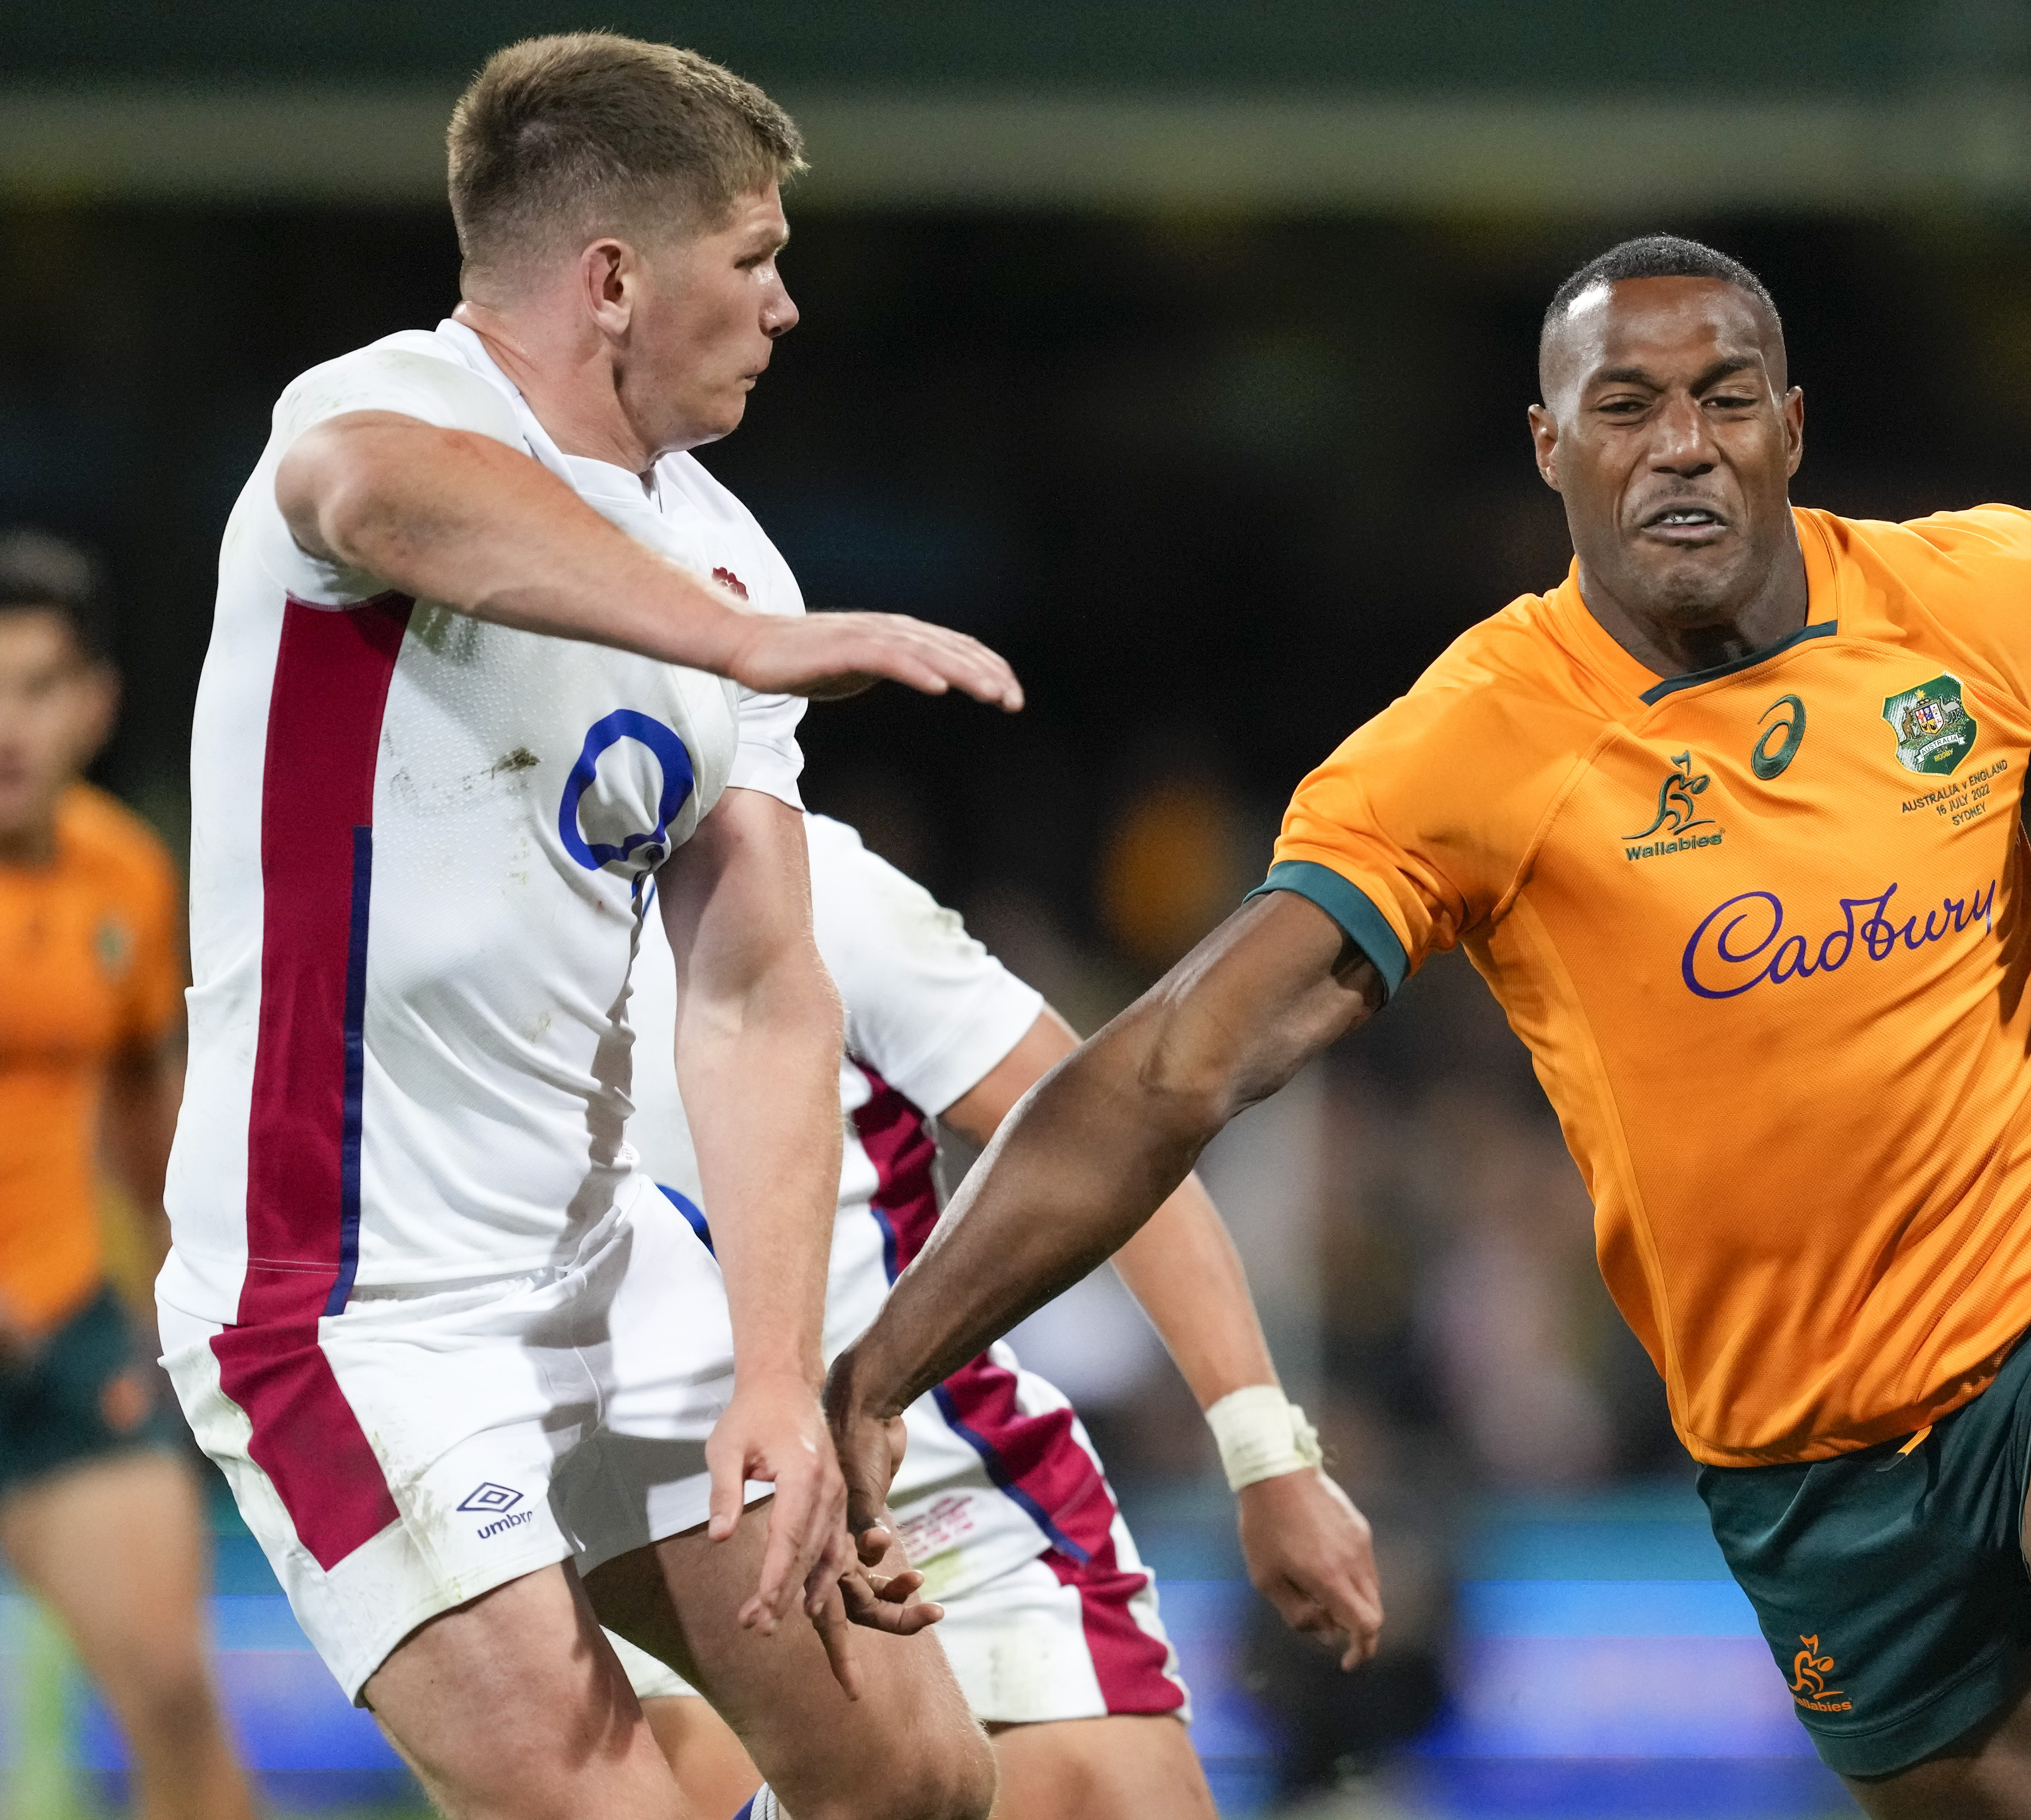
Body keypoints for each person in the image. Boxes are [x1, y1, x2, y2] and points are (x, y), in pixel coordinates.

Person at [821, 236, 2031, 1820]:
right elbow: (1176, 1067)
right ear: (1547, 444)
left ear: (1790, 425)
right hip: (1803, 1464)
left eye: (1724, 400)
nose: (1680, 445)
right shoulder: (1474, 748)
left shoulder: (1962, 597)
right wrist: (885, 1368)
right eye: (1625, 404)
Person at [156, 35, 1025, 1820]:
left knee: (920, 1777)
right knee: (593, 1797)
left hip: (607, 1271)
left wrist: (778, 1372)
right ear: (615, 278)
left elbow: (760, 988)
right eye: (757, 256)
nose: (786, 307)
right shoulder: (382, 413)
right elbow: (375, 495)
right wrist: (727, 646)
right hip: (346, 1302)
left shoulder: (732, 552)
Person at [605, 812, 1382, 1818]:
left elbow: (1115, 1138)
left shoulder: (823, 889)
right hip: (682, 1542)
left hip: (960, 1517)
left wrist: (1265, 1451)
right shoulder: (438, 935)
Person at [0, 533, 257, 1819]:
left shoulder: (131, 877)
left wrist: (186, 1298)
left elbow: (154, 1120)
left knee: (174, 1700)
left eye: (38, 686)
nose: (8, 725)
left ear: (94, 703)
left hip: (62, 1342)